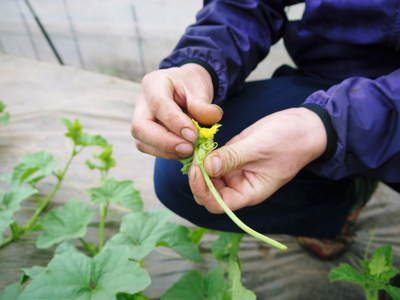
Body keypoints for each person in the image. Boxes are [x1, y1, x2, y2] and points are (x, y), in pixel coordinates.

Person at [131, 0, 400, 260]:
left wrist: (327, 128)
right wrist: (200, 64)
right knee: (184, 178)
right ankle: (342, 200)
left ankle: (354, 157)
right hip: (329, 81)